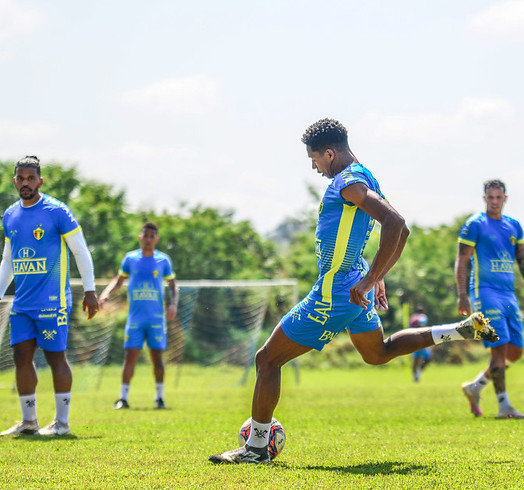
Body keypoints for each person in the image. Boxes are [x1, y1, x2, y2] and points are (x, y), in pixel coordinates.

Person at [209, 118, 499, 464]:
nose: (314, 167)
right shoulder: (365, 177)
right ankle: (457, 330)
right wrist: (374, 276)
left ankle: (256, 449)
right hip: (356, 285)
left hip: (336, 292)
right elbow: (400, 232)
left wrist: (372, 276)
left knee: (267, 360)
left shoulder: (348, 182)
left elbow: (396, 225)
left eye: (314, 159)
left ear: (329, 153)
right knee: (377, 353)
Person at [0, 155, 99, 436]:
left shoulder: (57, 211)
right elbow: (8, 260)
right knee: (21, 357)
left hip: (52, 301)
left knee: (56, 359)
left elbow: (80, 250)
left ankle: (62, 423)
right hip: (22, 303)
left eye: (31, 178)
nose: (26, 183)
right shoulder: (10, 215)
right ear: (15, 181)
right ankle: (28, 421)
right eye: (21, 178)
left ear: (40, 181)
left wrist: (90, 290)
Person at [457, 180, 524, 419]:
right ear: (484, 198)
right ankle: (504, 406)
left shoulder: (513, 226)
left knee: (514, 352)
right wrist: (463, 295)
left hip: (509, 295)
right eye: (490, 197)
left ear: (505, 198)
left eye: (499, 197)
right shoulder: (474, 225)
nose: (494, 202)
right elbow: (462, 260)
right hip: (484, 294)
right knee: (498, 350)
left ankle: (475, 387)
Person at [99, 222, 178, 410]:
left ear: (156, 239)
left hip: (156, 320)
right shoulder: (130, 258)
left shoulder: (163, 261)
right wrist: (106, 293)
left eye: (152, 236)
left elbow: (173, 286)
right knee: (130, 357)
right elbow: (118, 281)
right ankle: (123, 398)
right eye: (146, 236)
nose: (149, 239)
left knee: (157, 359)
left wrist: (173, 304)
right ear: (140, 237)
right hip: (135, 319)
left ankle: (159, 398)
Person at [409, 305, 432, 382]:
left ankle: (415, 375)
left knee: (415, 359)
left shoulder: (412, 317)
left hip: (412, 339)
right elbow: (422, 325)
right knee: (428, 359)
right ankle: (418, 373)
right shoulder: (423, 317)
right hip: (422, 339)